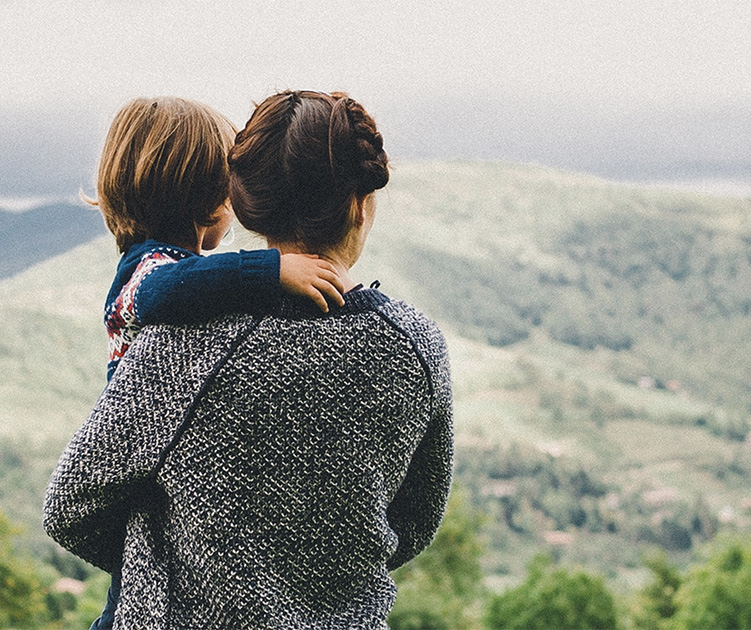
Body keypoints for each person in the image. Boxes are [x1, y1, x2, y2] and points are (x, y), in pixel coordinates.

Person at [44, 90, 453, 629]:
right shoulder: (415, 348)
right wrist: (324, 574)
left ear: (244, 204)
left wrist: (169, 572)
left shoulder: (182, 343)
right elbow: (415, 521)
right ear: (360, 204)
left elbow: (71, 507)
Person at [83, 96, 346, 629]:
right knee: (127, 605)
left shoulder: (176, 269)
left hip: (161, 474)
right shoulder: (150, 270)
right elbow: (164, 292)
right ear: (206, 200)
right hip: (144, 474)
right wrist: (271, 269)